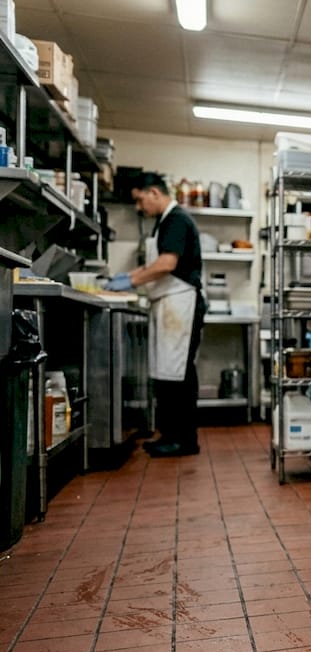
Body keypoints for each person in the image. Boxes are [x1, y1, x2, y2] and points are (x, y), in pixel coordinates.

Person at [106, 172, 205, 457]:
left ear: (154, 193)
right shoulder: (165, 222)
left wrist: (130, 282)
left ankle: (184, 440)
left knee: (179, 374)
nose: (139, 207)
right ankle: (172, 435)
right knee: (168, 372)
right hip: (170, 304)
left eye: (140, 200)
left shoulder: (176, 220)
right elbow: (155, 264)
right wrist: (125, 276)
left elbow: (166, 263)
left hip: (181, 304)